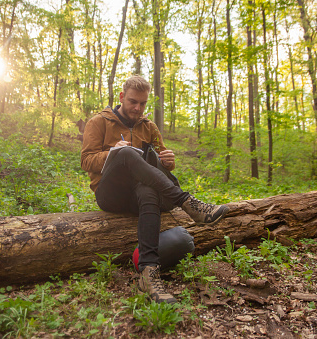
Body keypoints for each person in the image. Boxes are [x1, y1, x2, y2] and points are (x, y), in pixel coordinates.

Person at [81, 75, 229, 304]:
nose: (137, 108)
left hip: (140, 195)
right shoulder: (99, 122)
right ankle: (188, 202)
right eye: (132, 102)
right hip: (109, 193)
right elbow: (86, 161)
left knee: (148, 191)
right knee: (126, 153)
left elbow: (163, 162)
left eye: (142, 103)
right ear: (121, 97)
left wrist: (169, 161)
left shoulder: (149, 127)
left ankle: (149, 275)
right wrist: (113, 153)